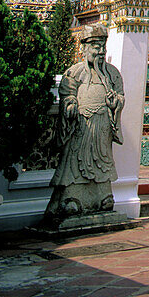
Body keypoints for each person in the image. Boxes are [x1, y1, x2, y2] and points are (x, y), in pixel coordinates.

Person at [45, 24, 125, 225]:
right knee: (75, 161)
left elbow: (121, 97)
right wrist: (70, 106)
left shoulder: (112, 74)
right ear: (84, 48)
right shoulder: (75, 73)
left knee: (103, 161)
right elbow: (67, 95)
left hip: (103, 127)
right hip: (81, 126)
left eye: (102, 47)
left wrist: (115, 102)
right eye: (95, 47)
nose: (100, 52)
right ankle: (72, 198)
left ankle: (102, 198)